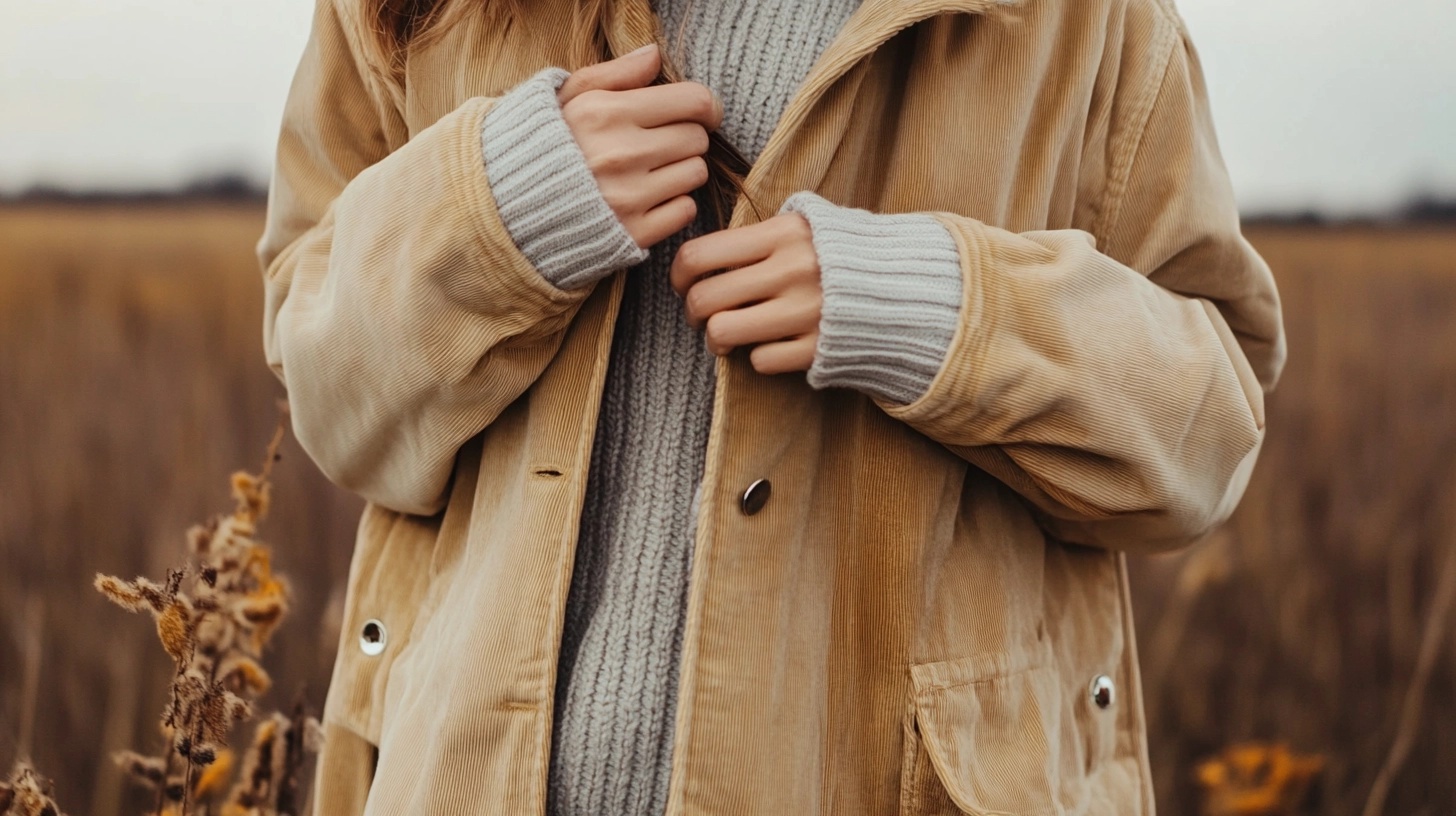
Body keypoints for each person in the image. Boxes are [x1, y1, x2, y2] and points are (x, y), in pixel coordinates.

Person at [258, 0, 1286, 813]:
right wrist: (500, 209)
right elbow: (327, 390)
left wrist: (936, 308)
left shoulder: (1091, 22)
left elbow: (1203, 438)